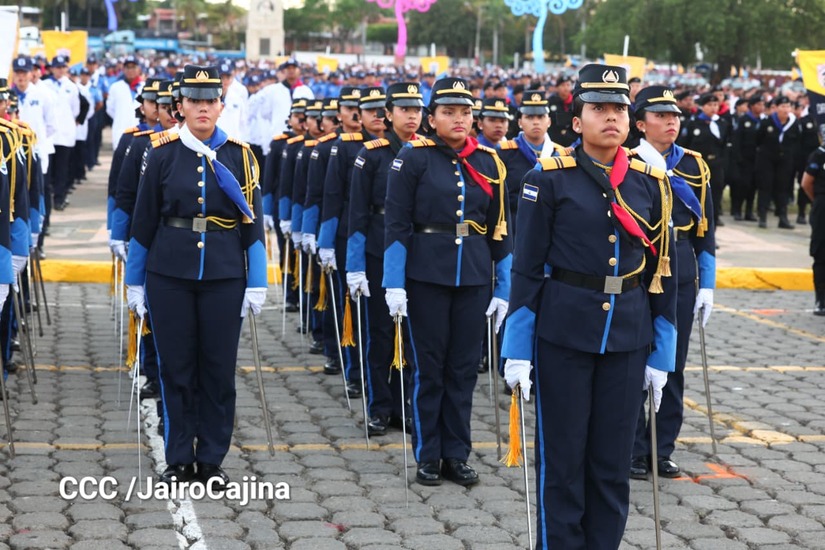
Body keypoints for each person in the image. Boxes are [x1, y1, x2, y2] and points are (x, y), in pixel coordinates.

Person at [501, 64, 677, 549]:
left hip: (628, 337)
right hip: (564, 334)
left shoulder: (649, 183)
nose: (611, 116)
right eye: (598, 108)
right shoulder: (547, 180)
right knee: (563, 461)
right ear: (577, 122)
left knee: (612, 463)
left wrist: (662, 354)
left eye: (619, 107)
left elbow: (661, 274)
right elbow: (527, 268)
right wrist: (517, 349)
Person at [125, 64, 266, 487]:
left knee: (218, 371)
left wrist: (256, 281)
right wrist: (135, 281)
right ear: (180, 107)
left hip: (224, 275)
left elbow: (253, 225)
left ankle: (211, 459)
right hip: (169, 274)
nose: (203, 108)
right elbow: (144, 221)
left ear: (221, 106)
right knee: (176, 368)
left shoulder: (240, 155)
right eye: (194, 101)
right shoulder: (163, 153)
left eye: (211, 100)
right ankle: (179, 457)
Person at [383, 77, 511, 487]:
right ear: (432, 118)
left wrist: (504, 286)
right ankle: (428, 454)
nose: (459, 119)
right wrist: (394, 282)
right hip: (427, 274)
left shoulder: (489, 162)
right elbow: (396, 224)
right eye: (448, 112)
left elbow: (500, 229)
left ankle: (456, 453)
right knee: (430, 368)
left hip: (473, 275)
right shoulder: (414, 158)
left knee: (463, 369)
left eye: (465, 112)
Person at [629, 85, 716, 480]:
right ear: (640, 124)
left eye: (674, 116)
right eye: (661, 116)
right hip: (638, 264)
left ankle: (661, 447)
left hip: (679, 264)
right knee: (632, 358)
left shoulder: (694, 166)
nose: (670, 122)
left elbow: (705, 230)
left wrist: (707, 283)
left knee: (673, 362)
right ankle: (632, 447)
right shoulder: (628, 162)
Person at [346, 82, 424, 436]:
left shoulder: (426, 152)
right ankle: (379, 406)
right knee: (380, 332)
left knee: (410, 334)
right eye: (404, 109)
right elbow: (357, 213)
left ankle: (404, 405)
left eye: (416, 109)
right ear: (388, 114)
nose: (412, 116)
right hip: (379, 251)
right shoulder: (372, 154)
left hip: (418, 253)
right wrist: (355, 265)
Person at [318, 87, 386, 395]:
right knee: (355, 307)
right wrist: (326, 242)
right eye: (369, 110)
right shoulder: (345, 147)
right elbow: (331, 195)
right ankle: (356, 371)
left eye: (382, 110)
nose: (376, 116)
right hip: (351, 233)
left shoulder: (401, 148)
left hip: (386, 235)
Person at [683, 93, 730, 227]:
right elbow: (685, 144)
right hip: (697, 166)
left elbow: (725, 144)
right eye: (709, 105)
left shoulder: (722, 123)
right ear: (702, 107)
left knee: (715, 194)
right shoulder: (693, 123)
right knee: (696, 194)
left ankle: (713, 221)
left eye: (715, 105)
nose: (713, 107)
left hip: (716, 165)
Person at [43, 55, 81, 212]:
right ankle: (48, 198)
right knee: (49, 169)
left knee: (62, 169)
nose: (60, 70)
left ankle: (59, 198)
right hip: (49, 135)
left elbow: (76, 110)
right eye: (57, 67)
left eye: (62, 67)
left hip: (65, 134)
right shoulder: (44, 85)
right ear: (52, 68)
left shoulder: (72, 86)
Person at [756, 96, 799, 229]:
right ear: (776, 108)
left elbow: (797, 142)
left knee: (783, 188)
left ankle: (783, 217)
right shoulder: (767, 122)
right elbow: (758, 139)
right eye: (783, 106)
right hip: (767, 160)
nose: (786, 109)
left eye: (788, 106)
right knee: (765, 187)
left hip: (785, 161)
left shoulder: (794, 123)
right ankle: (762, 216)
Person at [800, 145, 825, 316]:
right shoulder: (819, 155)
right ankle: (821, 300)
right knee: (821, 254)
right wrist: (818, 202)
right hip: (822, 207)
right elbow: (806, 183)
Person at [730, 94, 763, 221]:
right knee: (742, 185)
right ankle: (737, 210)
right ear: (752, 106)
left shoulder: (763, 121)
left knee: (753, 186)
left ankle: (749, 211)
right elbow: (737, 140)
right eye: (758, 104)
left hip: (757, 159)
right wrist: (738, 158)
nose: (761, 107)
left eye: (762, 104)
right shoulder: (743, 120)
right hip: (744, 159)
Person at [107, 55, 143, 150]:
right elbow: (110, 109)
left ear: (138, 69)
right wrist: (122, 116)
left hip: (140, 131)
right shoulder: (116, 87)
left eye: (133, 67)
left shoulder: (144, 87)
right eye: (128, 67)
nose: (130, 70)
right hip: (121, 129)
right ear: (123, 69)